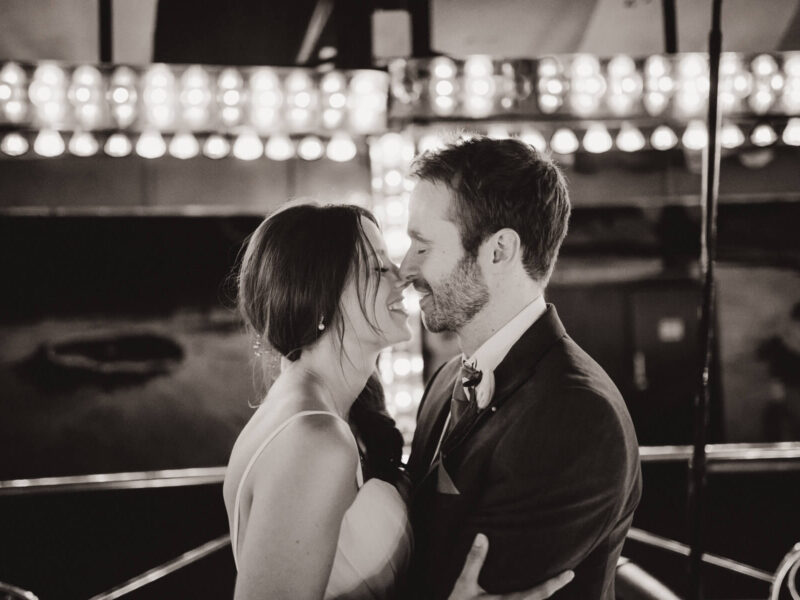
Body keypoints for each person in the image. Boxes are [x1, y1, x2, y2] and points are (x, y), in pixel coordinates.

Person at [223, 202, 573, 599]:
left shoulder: (322, 412)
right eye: (376, 267)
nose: (403, 275)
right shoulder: (315, 440)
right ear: (320, 295)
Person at [399, 136, 642, 599]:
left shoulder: (576, 413)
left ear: (498, 251)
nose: (406, 268)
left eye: (423, 247)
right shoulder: (447, 380)